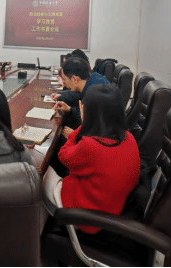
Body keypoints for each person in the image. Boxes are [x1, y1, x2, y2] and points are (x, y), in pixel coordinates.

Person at [43, 84, 140, 234]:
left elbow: (63, 155)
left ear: (87, 111)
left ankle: (40, 231)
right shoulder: (129, 137)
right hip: (111, 207)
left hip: (86, 216)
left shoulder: (90, 146)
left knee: (40, 172)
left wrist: (81, 127)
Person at [53, 57, 109, 128]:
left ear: (74, 79)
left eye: (65, 80)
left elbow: (93, 127)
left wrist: (74, 133)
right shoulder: (94, 78)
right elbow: (86, 116)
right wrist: (70, 109)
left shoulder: (92, 94)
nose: (64, 84)